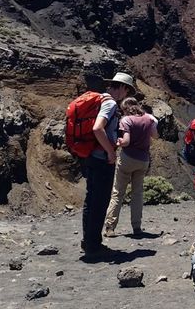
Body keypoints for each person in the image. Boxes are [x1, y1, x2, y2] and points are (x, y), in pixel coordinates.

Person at [81, 72, 136, 261]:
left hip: (91, 156)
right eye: (127, 90)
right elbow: (98, 128)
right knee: (100, 202)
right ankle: (94, 246)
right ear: (121, 87)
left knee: (91, 200)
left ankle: (88, 241)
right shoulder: (110, 103)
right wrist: (110, 151)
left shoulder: (100, 99)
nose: (126, 94)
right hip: (101, 159)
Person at [103, 97, 158, 238]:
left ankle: (110, 227)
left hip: (128, 159)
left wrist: (120, 142)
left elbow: (126, 141)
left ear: (126, 108)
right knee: (137, 193)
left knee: (118, 192)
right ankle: (137, 227)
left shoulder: (126, 120)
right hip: (143, 160)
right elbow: (155, 135)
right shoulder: (148, 118)